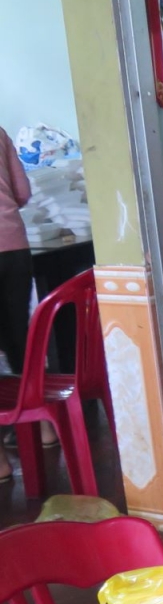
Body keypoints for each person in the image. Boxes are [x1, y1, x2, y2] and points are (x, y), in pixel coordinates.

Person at [0, 126, 33, 483]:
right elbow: (22, 191)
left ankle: (1, 462)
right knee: (18, 338)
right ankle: (41, 430)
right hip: (15, 247)